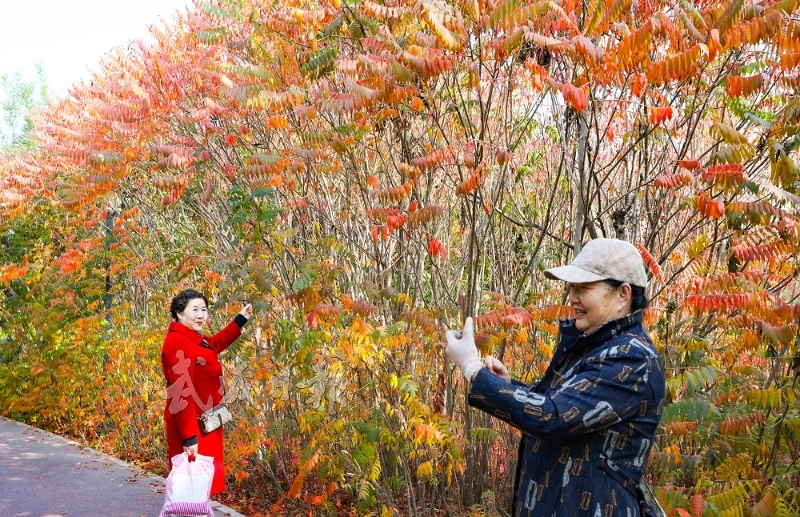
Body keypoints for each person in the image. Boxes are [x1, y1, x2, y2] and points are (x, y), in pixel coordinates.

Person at [445, 238, 666, 517]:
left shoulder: (632, 357)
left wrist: (472, 369)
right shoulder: (593, 345)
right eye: (571, 287)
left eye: (584, 287)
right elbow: (561, 401)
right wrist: (507, 385)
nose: (573, 297)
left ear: (623, 294)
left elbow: (552, 416)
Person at [161, 288, 252, 495]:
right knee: (191, 486)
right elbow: (181, 392)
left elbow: (215, 344)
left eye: (203, 309)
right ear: (179, 313)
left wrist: (240, 319)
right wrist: (189, 438)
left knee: (201, 485)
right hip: (193, 426)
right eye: (194, 310)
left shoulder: (194, 339)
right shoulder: (177, 342)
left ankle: (201, 509)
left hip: (207, 422)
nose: (200, 315)